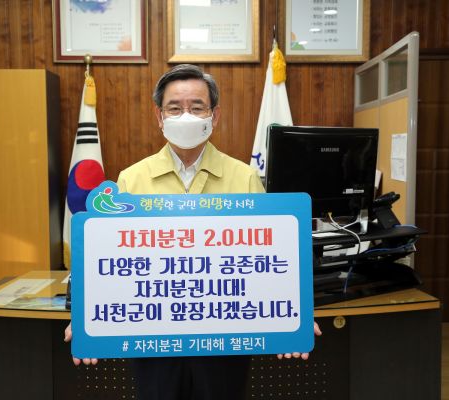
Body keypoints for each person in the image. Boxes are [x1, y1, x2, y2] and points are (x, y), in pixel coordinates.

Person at [64, 64, 322, 400]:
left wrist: (295, 314)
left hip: (224, 341)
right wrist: (84, 314)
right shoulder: (131, 179)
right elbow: (108, 260)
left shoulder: (243, 177)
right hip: (153, 340)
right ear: (159, 116)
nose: (185, 115)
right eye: (174, 108)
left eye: (197, 107)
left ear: (215, 116)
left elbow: (270, 257)